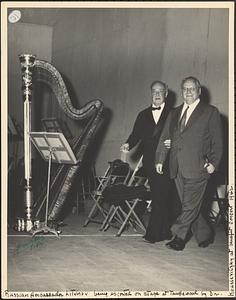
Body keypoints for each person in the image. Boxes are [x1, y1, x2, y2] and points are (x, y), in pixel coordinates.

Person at [156, 76, 223, 251]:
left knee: (188, 205)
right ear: (182, 91)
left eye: (192, 89)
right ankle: (204, 234)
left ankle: (178, 236)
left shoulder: (210, 112)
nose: (188, 92)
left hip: (199, 167)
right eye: (185, 89)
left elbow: (218, 142)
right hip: (176, 166)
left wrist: (214, 163)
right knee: (191, 204)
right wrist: (160, 159)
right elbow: (165, 138)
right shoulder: (174, 112)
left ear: (199, 91)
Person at [120, 80, 174, 243]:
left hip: (168, 159)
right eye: (154, 91)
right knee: (159, 194)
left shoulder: (174, 113)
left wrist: (174, 142)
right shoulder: (143, 114)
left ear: (166, 93)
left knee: (162, 194)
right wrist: (128, 144)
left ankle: (156, 232)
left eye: (160, 91)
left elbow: (180, 135)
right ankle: (162, 232)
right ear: (151, 93)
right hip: (150, 160)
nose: (157, 94)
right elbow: (135, 134)